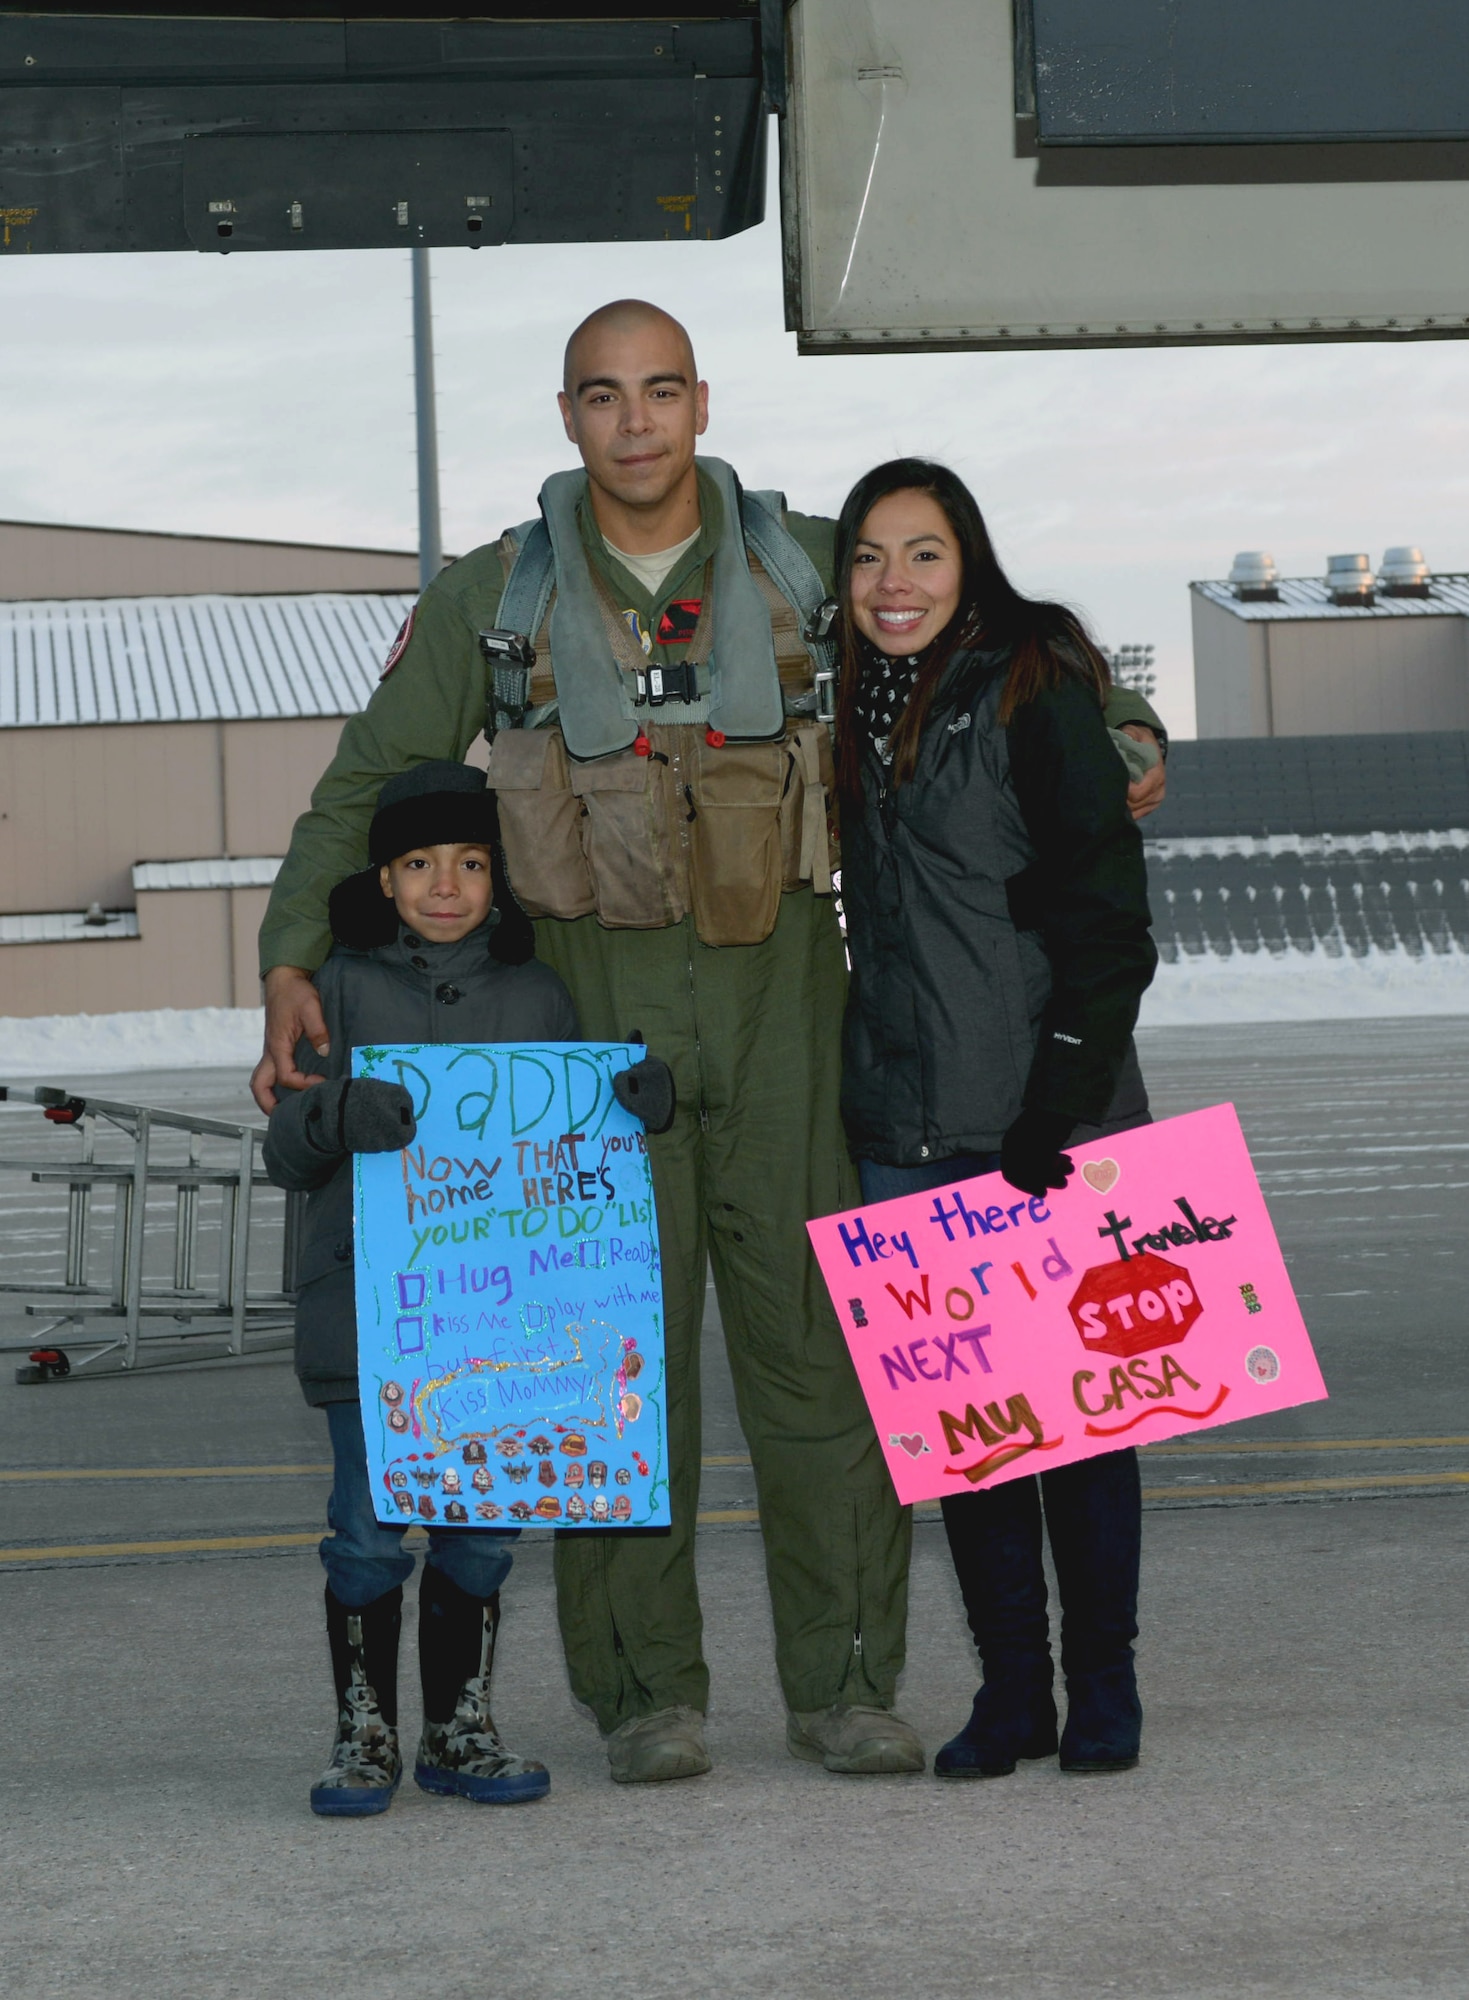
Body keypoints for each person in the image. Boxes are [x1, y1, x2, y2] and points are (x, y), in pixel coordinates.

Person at [250, 301, 1168, 1783]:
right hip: (593, 1013)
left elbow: (987, 629)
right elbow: (363, 782)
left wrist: (1130, 732)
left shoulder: (801, 559)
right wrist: (292, 955)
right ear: (568, 417)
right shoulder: (501, 595)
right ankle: (645, 1693)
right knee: (618, 1363)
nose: (634, 424)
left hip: (790, 1001)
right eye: (602, 397)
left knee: (820, 1360)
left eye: (659, 392)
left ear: (698, 403)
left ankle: (852, 1683)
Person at [832, 458, 1159, 1779]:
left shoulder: (1033, 684)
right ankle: (1011, 1693)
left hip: (1045, 1118)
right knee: (969, 1440)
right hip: (910, 1122)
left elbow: (1105, 921)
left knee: (1083, 1427)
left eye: (921, 554)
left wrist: (1059, 1105)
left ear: (968, 559)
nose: (891, 584)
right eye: (866, 559)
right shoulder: (848, 705)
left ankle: (1105, 1689)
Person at [263, 760, 579, 1817]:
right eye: (418, 863)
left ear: (499, 872)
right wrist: (333, 1112)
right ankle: (364, 1730)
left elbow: (573, 1151)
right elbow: (284, 1146)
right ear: (384, 877)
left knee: (483, 1528)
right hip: (370, 1317)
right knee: (365, 1525)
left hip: (496, 1323)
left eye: (471, 861)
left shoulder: (539, 991)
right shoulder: (334, 987)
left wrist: (627, 1104)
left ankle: (459, 1725)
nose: (446, 884)